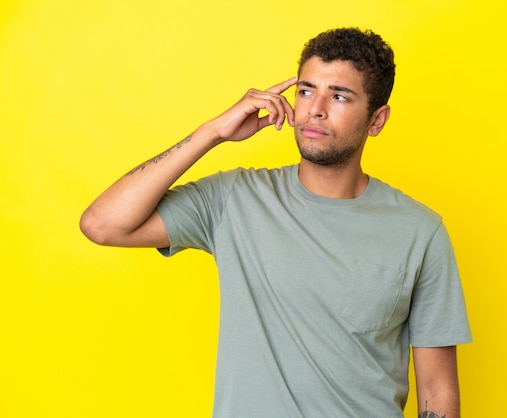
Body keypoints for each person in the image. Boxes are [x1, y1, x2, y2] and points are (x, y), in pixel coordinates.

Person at [80, 28, 471, 418]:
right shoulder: (235, 199)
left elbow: (436, 392)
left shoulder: (420, 231)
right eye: (305, 90)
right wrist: (212, 133)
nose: (315, 108)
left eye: (338, 95)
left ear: (377, 120)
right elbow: (103, 224)